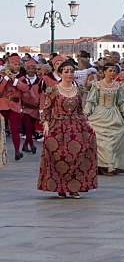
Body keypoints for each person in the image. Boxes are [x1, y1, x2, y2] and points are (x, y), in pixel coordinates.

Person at [37, 61, 98, 198]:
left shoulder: (78, 90)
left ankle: (74, 188)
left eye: (71, 71)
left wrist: (88, 124)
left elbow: (80, 111)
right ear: (60, 73)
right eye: (66, 71)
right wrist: (45, 124)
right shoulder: (53, 90)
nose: (69, 74)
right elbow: (46, 110)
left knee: (77, 156)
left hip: (76, 127)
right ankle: (60, 187)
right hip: (58, 127)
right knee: (60, 157)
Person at [85, 62, 124, 175]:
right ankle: (106, 164)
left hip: (114, 114)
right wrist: (85, 115)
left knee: (112, 140)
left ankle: (111, 164)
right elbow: (90, 101)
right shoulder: (97, 85)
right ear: (104, 72)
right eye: (110, 71)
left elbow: (120, 102)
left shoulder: (118, 85)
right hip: (100, 113)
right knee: (101, 140)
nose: (112, 73)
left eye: (114, 71)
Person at [15, 58, 40, 154]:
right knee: (28, 126)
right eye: (29, 68)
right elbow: (18, 94)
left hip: (35, 108)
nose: (31, 70)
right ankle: (32, 145)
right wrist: (19, 107)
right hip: (25, 107)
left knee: (32, 127)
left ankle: (25, 145)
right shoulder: (21, 80)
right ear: (25, 68)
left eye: (33, 68)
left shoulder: (39, 80)